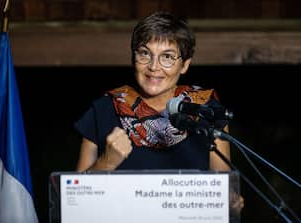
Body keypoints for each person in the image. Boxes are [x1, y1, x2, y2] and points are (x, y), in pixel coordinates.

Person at [75, 11, 231, 173]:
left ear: (184, 65)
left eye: (167, 57)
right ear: (133, 57)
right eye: (145, 53)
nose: (154, 66)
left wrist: (232, 196)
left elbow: (225, 188)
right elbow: (74, 195)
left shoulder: (206, 110)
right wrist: (106, 163)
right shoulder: (102, 110)